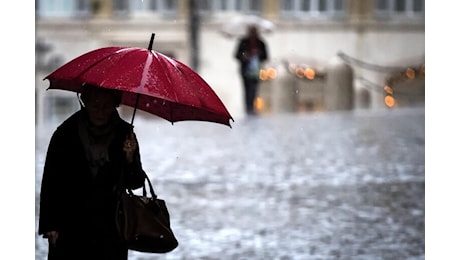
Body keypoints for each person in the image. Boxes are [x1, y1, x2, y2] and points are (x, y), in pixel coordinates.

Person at [38, 84, 146, 259]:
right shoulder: (66, 133)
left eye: (107, 106)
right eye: (95, 105)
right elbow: (51, 180)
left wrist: (130, 159)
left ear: (115, 104)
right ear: (85, 101)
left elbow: (135, 183)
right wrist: (50, 224)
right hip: (71, 225)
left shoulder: (125, 134)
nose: (101, 111)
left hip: (111, 229)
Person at [234, 25, 269, 115]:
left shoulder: (261, 43)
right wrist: (244, 56)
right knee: (247, 89)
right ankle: (248, 108)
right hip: (245, 70)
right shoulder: (243, 42)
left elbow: (265, 56)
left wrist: (258, 54)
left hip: (256, 70)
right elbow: (236, 55)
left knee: (254, 89)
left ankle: (252, 107)